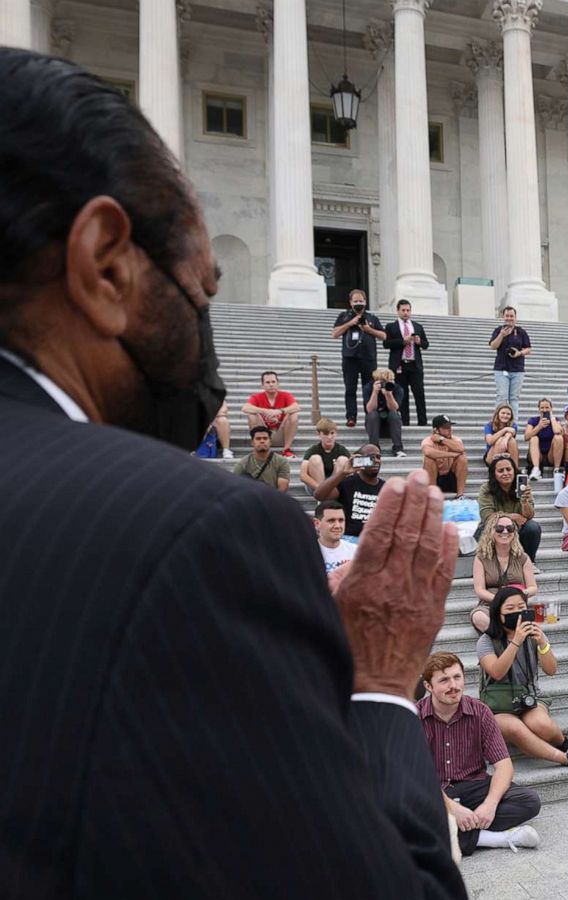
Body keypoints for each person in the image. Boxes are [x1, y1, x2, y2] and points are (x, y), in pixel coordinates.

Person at [0, 52, 462, 895]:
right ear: (105, 266)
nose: (204, 331)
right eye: (200, 293)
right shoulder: (191, 538)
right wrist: (382, 688)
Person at [417, 653, 542, 856]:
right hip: (433, 790)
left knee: (529, 801)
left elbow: (504, 765)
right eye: (444, 680)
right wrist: (452, 809)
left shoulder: (480, 713)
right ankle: (497, 839)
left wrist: (489, 805)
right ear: (428, 686)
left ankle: (453, 831)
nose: (453, 685)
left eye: (457, 677)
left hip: (475, 787)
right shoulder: (414, 718)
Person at [477, 588, 568, 768]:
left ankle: (566, 744)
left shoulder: (534, 634)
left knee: (541, 724)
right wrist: (516, 641)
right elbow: (496, 672)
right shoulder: (486, 641)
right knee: (516, 728)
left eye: (521, 607)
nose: (517, 613)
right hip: (498, 704)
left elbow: (551, 670)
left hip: (529, 696)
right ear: (498, 613)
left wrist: (542, 642)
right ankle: (566, 758)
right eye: (510, 609)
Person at [470, 512, 538, 635]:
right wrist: (500, 600)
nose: (505, 532)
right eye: (499, 528)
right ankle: (506, 638)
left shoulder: (523, 557)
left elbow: (533, 588)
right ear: (491, 531)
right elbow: (479, 590)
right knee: (478, 617)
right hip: (490, 604)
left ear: (514, 532)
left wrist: (518, 596)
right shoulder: (481, 557)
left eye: (510, 528)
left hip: (516, 605)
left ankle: (507, 638)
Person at [331, 289, 383, 428]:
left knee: (369, 388)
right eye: (355, 301)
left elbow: (383, 336)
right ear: (350, 302)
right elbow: (334, 333)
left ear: (365, 302)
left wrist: (368, 329)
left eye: (361, 301)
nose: (358, 303)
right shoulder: (344, 316)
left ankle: (369, 416)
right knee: (350, 389)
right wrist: (350, 323)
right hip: (350, 358)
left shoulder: (372, 318)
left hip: (369, 358)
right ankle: (351, 416)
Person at [313, 444, 385, 538]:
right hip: (349, 538)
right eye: (370, 458)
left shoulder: (386, 487)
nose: (376, 460)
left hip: (375, 540)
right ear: (359, 460)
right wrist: (342, 473)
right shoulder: (347, 482)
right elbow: (319, 495)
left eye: (378, 457)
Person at [383, 299, 428, 426]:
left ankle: (423, 421)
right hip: (399, 364)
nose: (405, 313)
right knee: (402, 394)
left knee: (419, 393)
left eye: (408, 310)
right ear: (398, 311)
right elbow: (386, 344)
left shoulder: (417, 326)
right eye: (403, 310)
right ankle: (405, 421)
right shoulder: (391, 326)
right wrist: (402, 341)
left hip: (415, 364)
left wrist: (419, 342)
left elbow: (426, 344)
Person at [241, 370, 300, 455]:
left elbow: (296, 407)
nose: (271, 384)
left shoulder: (286, 395)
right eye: (267, 382)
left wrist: (279, 411)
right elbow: (245, 408)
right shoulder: (257, 397)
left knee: (294, 415)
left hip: (282, 434)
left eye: (273, 382)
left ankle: (286, 449)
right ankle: (259, 447)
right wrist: (265, 411)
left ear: (278, 383)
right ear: (262, 385)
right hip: (263, 433)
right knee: (252, 415)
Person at [488, 306, 532, 422]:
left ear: (515, 317)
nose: (509, 318)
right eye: (507, 316)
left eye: (511, 316)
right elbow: (493, 346)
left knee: (514, 398)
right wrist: (502, 335)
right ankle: (498, 423)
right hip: (501, 369)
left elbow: (528, 349)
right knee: (502, 397)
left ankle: (514, 424)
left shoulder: (521, 332)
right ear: (503, 317)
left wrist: (519, 353)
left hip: (517, 369)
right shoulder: (498, 330)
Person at [298, 417, 351, 495]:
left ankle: (332, 494)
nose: (329, 437)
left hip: (336, 487)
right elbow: (303, 475)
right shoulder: (313, 450)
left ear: (336, 434)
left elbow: (351, 471)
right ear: (319, 434)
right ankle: (323, 495)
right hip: (316, 487)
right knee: (315, 458)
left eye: (332, 433)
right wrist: (321, 488)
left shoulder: (342, 450)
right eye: (326, 434)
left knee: (343, 460)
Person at [234, 424, 291, 491]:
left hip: (273, 497)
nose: (262, 441)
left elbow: (282, 488)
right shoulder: (243, 464)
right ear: (252, 442)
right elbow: (236, 487)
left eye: (265, 438)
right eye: (258, 439)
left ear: (270, 442)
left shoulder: (281, 461)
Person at [421, 415, 467, 498]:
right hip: (435, 478)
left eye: (450, 426)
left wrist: (442, 440)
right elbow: (428, 452)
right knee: (429, 460)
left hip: (450, 478)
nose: (449, 429)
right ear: (436, 430)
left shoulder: (455, 439)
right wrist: (452, 454)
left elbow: (461, 449)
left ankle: (460, 495)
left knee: (462, 458)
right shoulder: (428, 440)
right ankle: (432, 495)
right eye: (445, 427)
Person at [365, 366, 405, 457]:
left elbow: (394, 408)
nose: (385, 384)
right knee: (372, 414)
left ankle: (398, 448)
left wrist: (389, 395)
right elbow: (369, 409)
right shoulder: (369, 387)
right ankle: (374, 448)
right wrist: (375, 392)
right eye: (382, 381)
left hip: (391, 426)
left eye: (388, 381)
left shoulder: (397, 389)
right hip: (374, 426)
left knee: (394, 414)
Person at [313, 499, 356, 574]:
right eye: (331, 520)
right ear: (317, 523)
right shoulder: (306, 553)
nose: (337, 526)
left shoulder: (356, 551)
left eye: (341, 520)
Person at [522, 398, 558, 479]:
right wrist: (539, 427)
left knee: (558, 437)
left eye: (547, 407)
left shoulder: (555, 420)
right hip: (536, 455)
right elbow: (526, 437)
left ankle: (557, 469)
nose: (544, 410)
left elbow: (558, 432)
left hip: (551, 455)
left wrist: (552, 419)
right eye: (542, 408)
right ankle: (536, 469)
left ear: (551, 409)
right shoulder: (533, 420)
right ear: (538, 409)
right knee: (534, 438)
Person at [482, 403, 521, 472]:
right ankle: (495, 471)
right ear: (498, 414)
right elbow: (490, 441)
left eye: (508, 414)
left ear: (511, 416)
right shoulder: (489, 425)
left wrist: (505, 439)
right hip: (491, 456)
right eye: (503, 413)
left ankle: (515, 470)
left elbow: (511, 433)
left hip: (507, 455)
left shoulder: (513, 425)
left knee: (511, 440)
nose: (505, 416)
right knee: (500, 439)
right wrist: (504, 430)